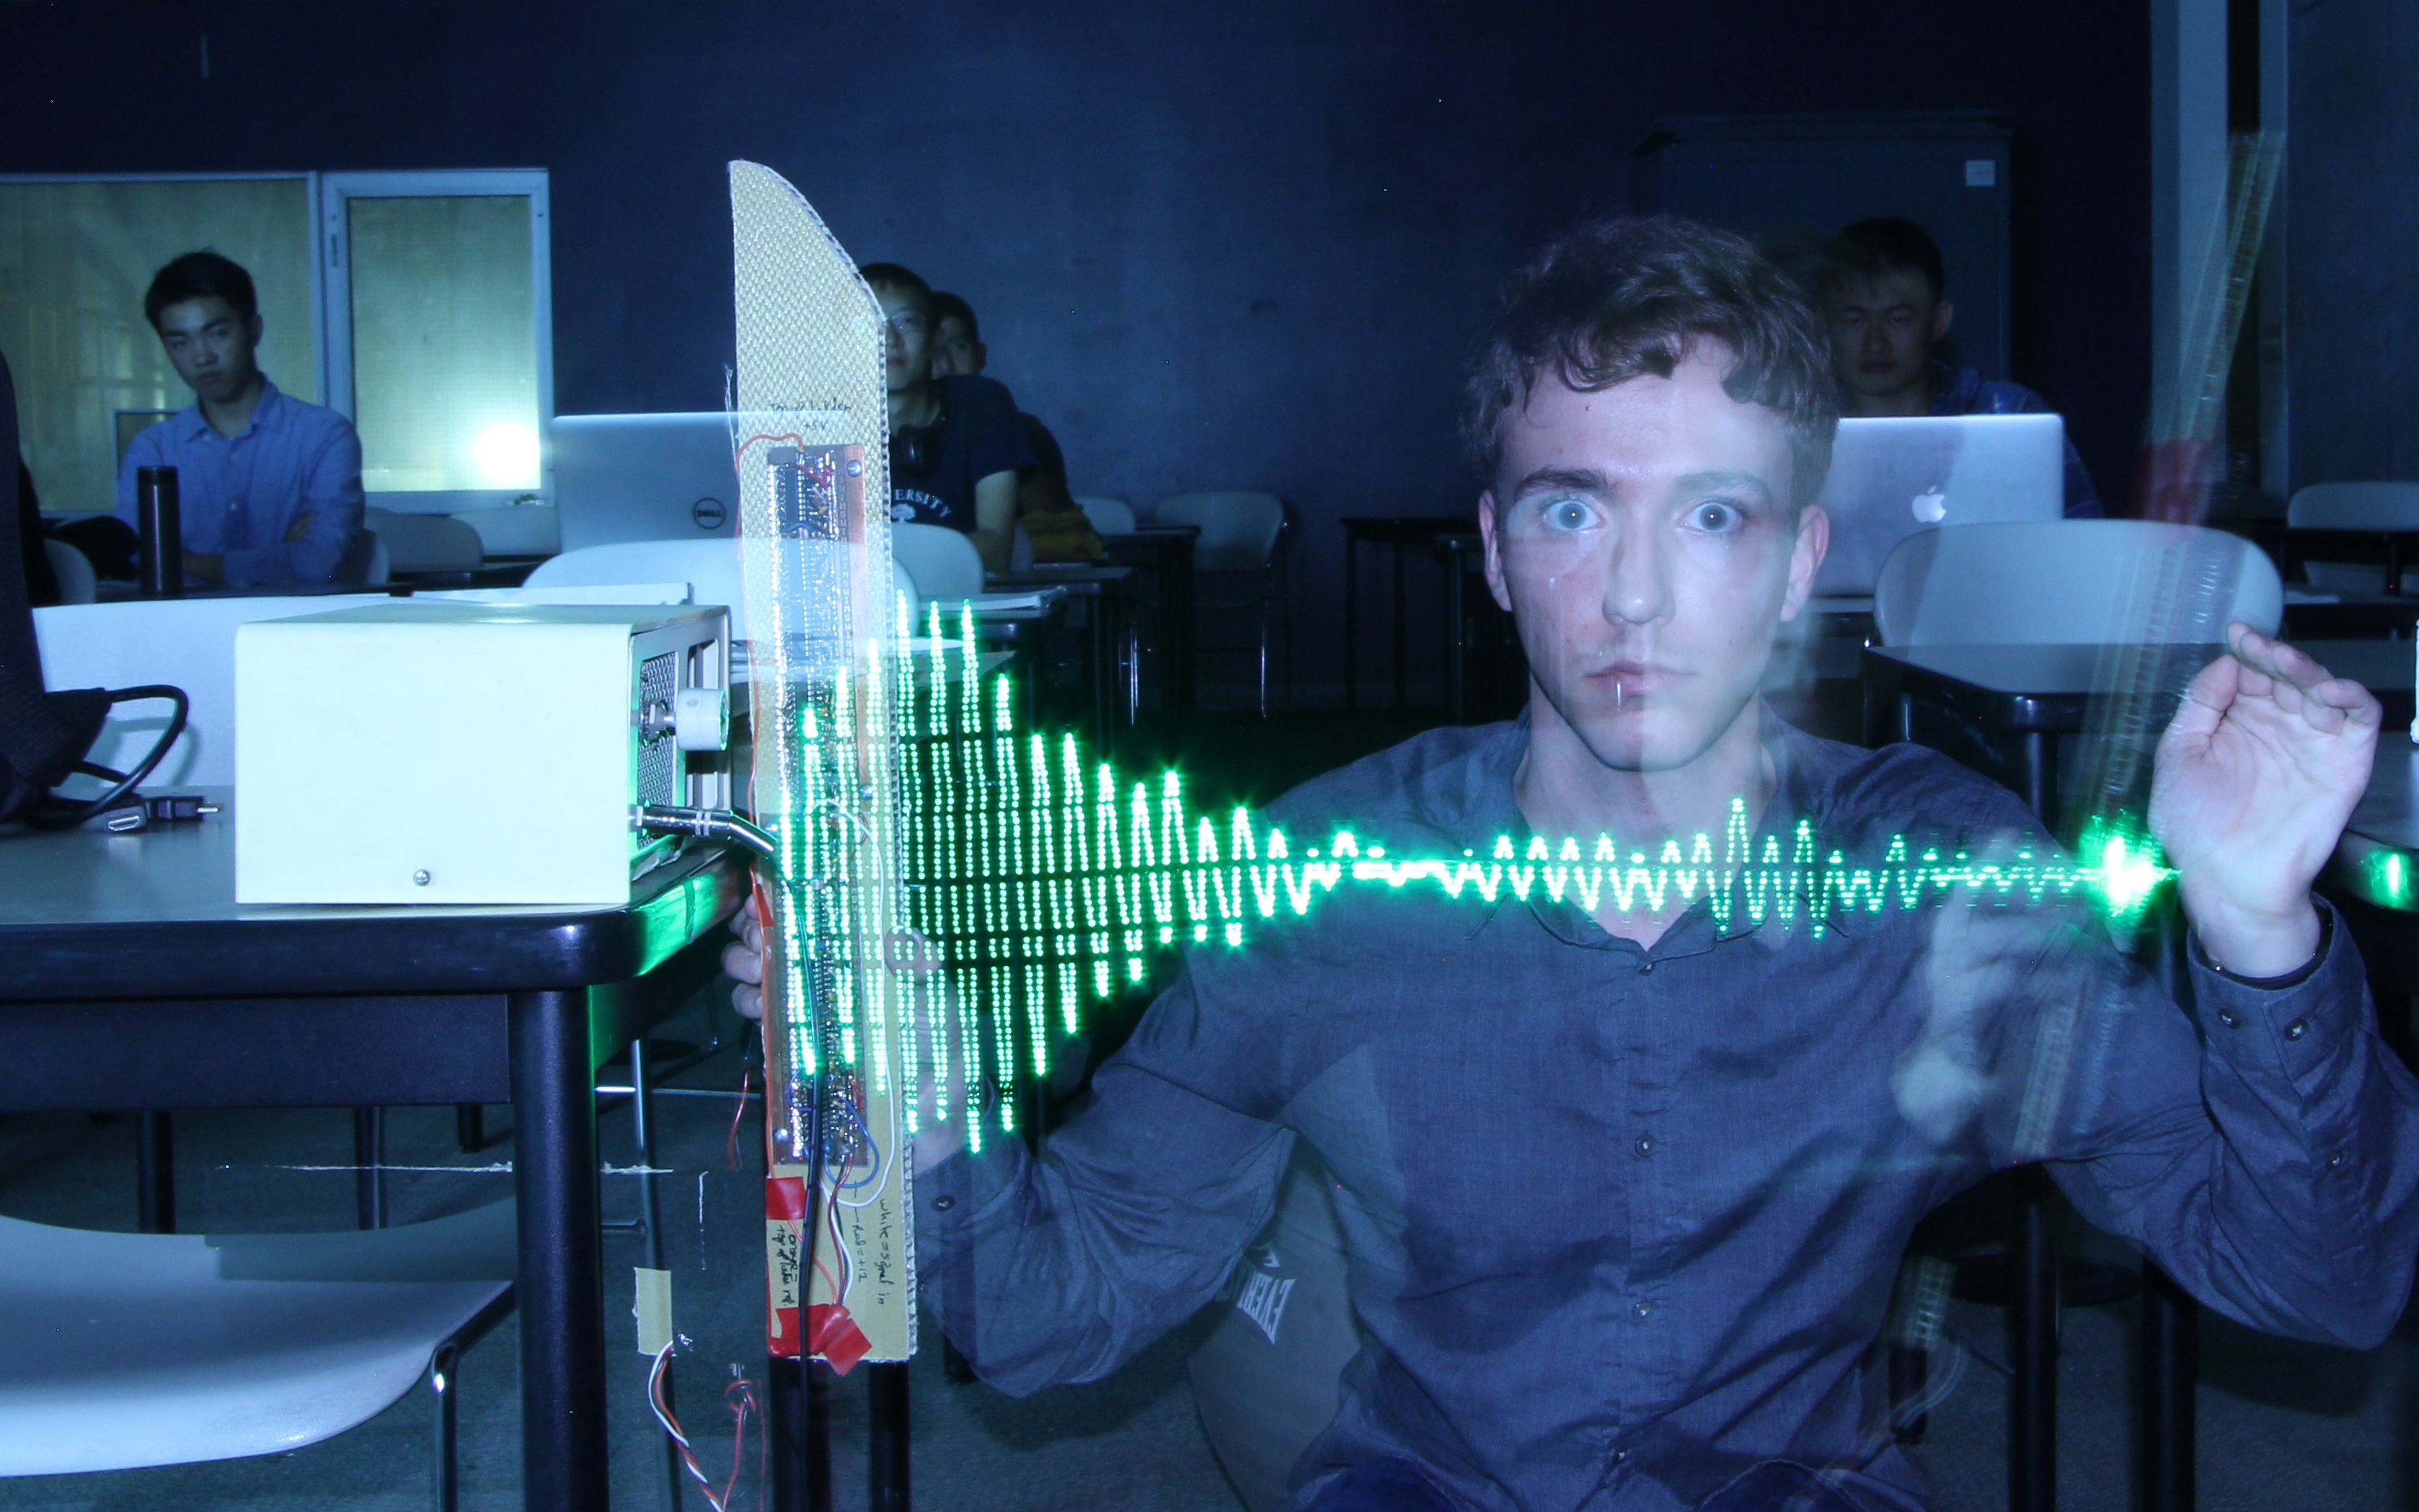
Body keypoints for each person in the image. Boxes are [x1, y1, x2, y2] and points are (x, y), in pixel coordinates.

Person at [735, 218, 2418, 1511]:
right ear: (1492, 550)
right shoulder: (1328, 880)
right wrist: (920, 1098)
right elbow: (1059, 1312)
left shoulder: (1939, 879)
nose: (1631, 593)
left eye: (1709, 516)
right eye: (1570, 510)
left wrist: (2258, 929)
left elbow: (2321, 1281)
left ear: (1798, 565)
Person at [112, 252, 366, 586]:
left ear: (254, 330)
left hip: (289, 619)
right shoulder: (154, 449)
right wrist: (275, 559)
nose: (201, 356)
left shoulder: (323, 435)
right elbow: (133, 560)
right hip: (180, 618)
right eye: (179, 343)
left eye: (217, 334)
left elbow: (319, 563)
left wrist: (184, 561)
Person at [1823, 218, 2102, 517]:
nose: (1876, 344)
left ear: (1939, 321)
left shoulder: (2007, 414)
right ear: (1825, 324)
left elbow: (2082, 535)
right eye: (1854, 321)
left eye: (1898, 320)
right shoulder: (1808, 433)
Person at [862, 264, 1030, 571]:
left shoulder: (982, 403)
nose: (888, 338)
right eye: (867, 320)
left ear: (935, 341)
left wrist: (871, 562)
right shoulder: (823, 420)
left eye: (906, 322)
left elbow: (996, 549)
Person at [928, 289, 1102, 562]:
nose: (946, 364)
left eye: (957, 347)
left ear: (980, 355)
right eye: (932, 351)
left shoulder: (1019, 429)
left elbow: (1061, 537)